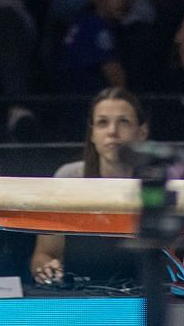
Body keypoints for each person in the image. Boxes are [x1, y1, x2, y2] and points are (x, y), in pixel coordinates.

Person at [30, 87, 155, 286]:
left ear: (142, 132)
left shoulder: (158, 182)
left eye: (123, 122)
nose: (112, 132)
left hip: (145, 293)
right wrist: (46, 269)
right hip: (82, 295)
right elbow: (44, 254)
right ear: (92, 134)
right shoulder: (67, 178)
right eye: (102, 123)